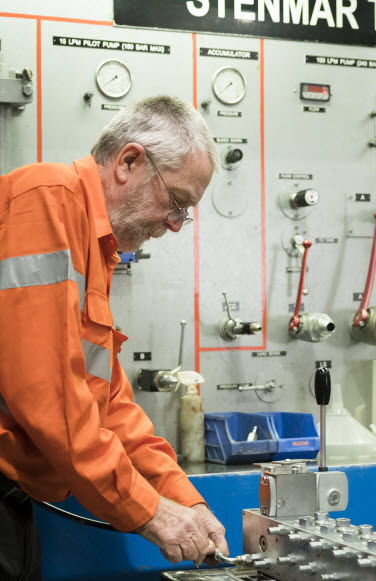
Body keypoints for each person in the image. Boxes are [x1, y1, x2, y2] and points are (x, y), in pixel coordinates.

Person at [0, 95, 228, 580]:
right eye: (177, 202)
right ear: (129, 162)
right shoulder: (47, 199)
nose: (174, 224)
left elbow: (109, 406)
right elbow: (50, 397)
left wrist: (186, 500)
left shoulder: (93, 247)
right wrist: (149, 511)